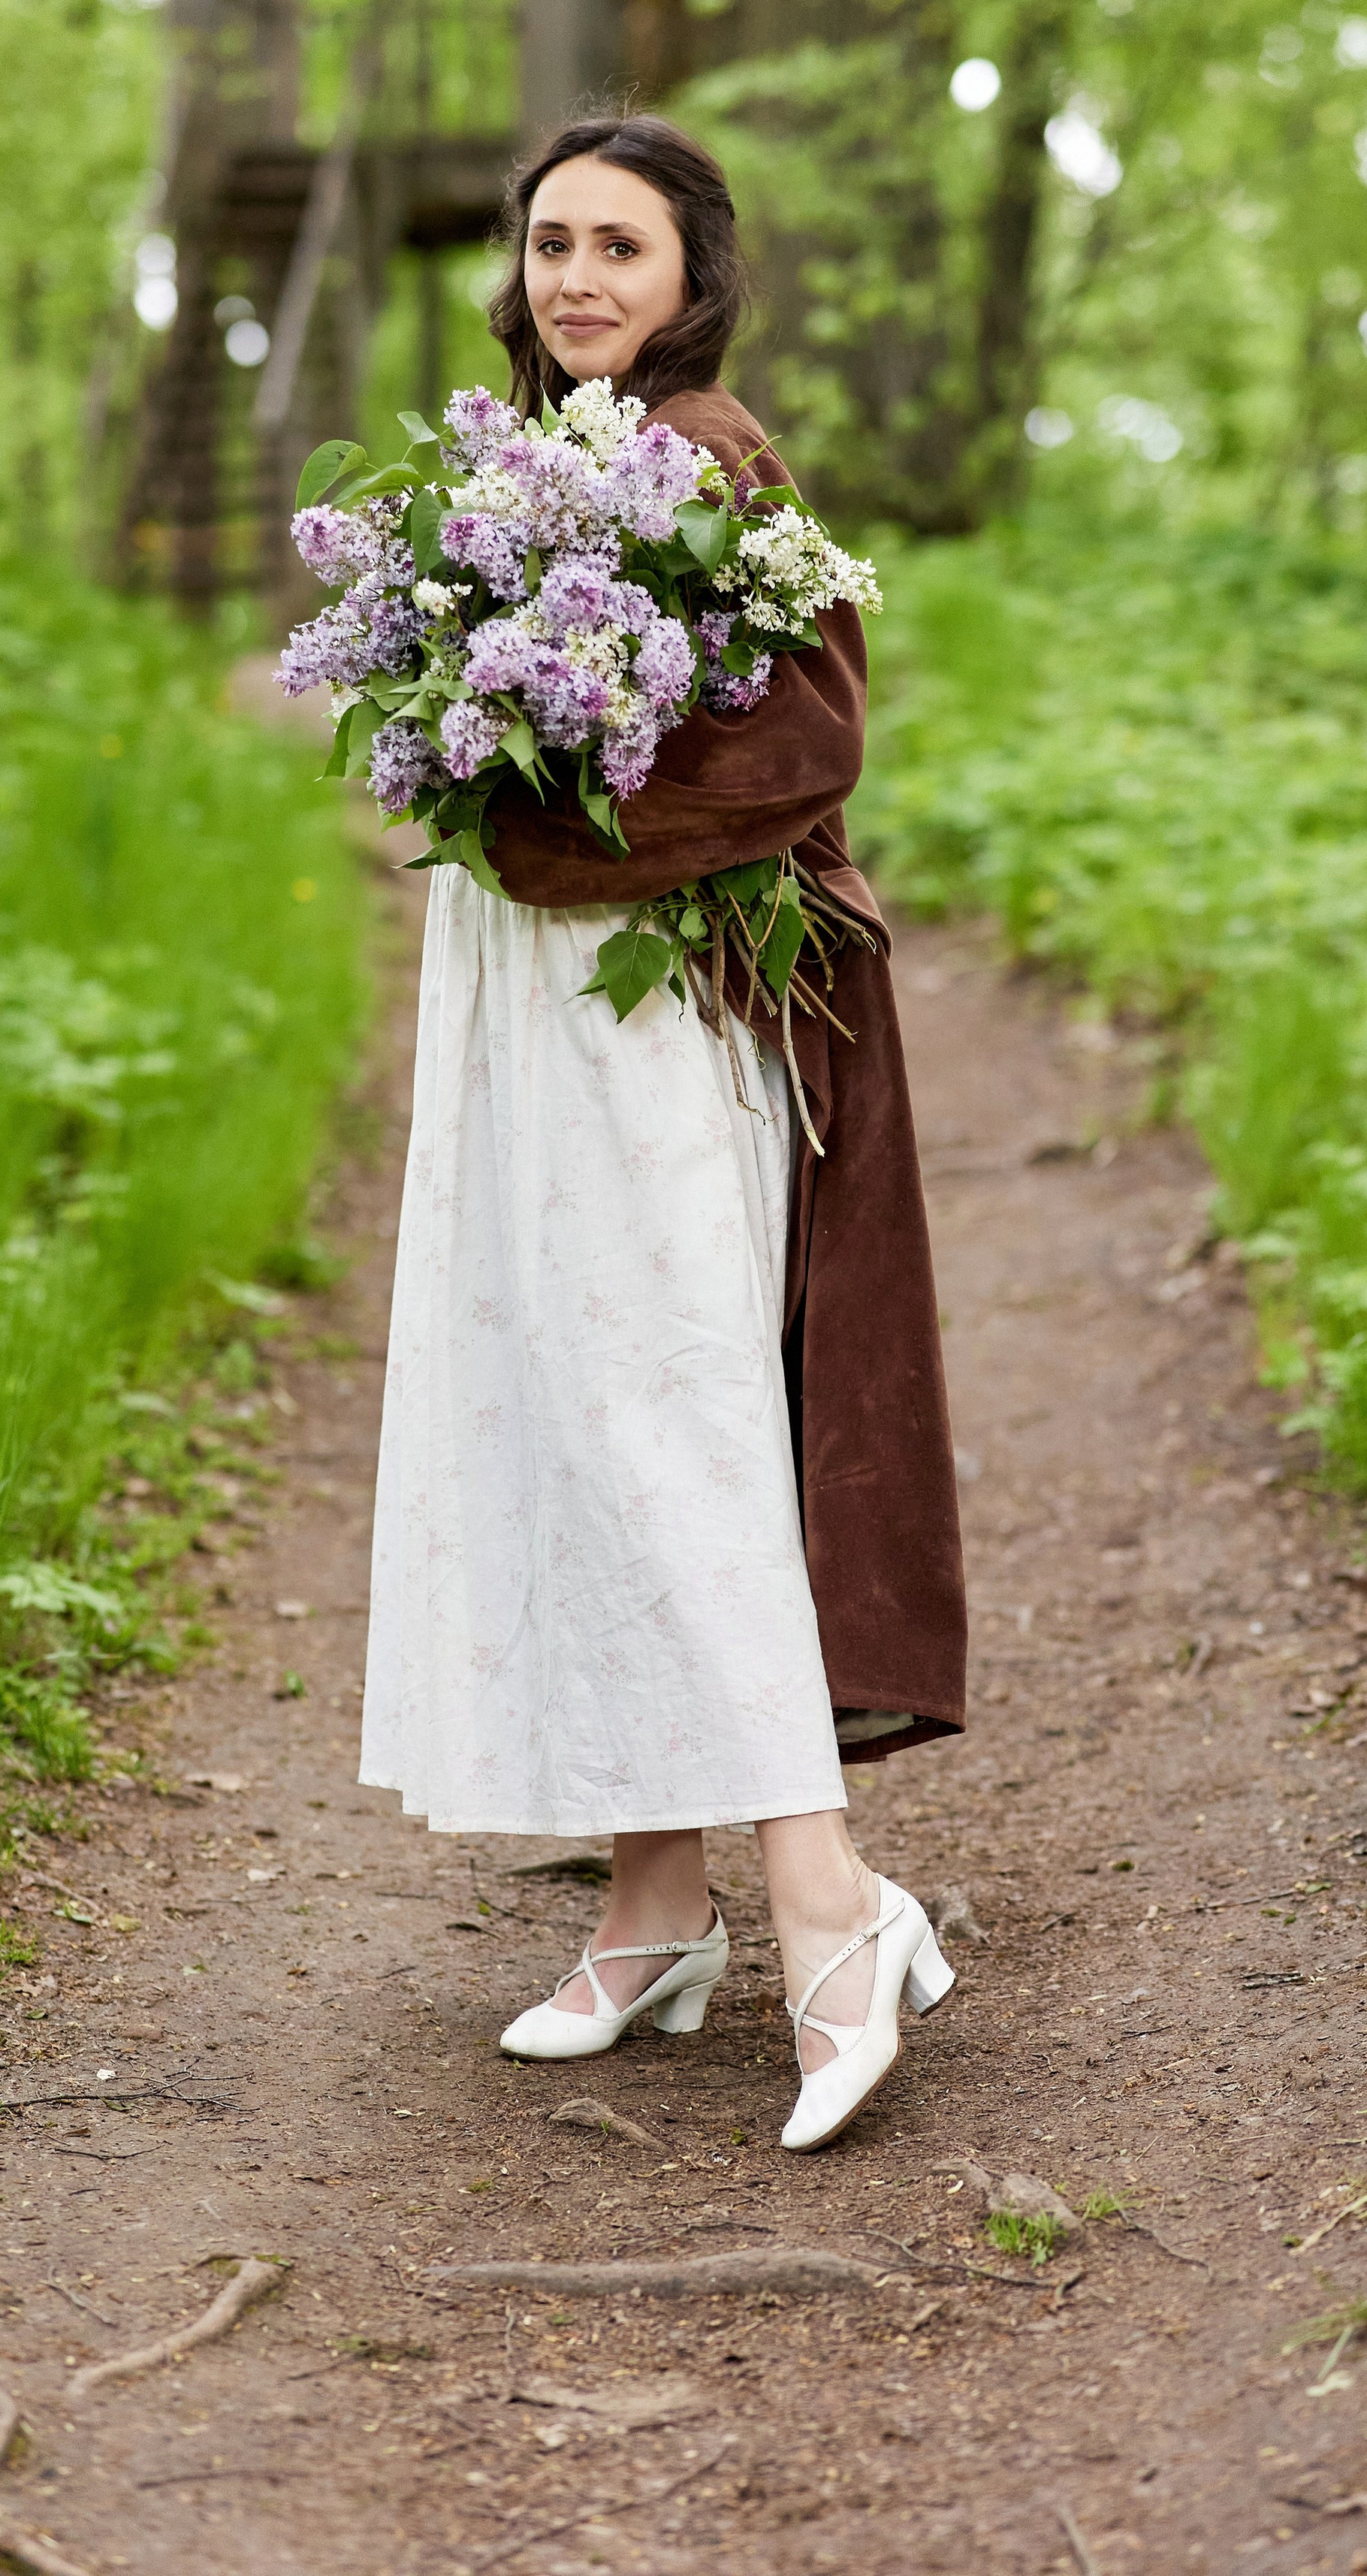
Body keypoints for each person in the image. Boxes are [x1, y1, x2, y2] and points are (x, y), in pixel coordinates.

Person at [361, 113, 967, 2152]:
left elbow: (802, 739)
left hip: (658, 1015)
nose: (576, 276)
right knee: (560, 1401)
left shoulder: (711, 459)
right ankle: (651, 1903)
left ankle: (830, 1901)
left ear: (692, 273)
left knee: (666, 1408)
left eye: (619, 244)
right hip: (526, 1012)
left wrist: (545, 823)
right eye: (550, 244)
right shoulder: (511, 474)